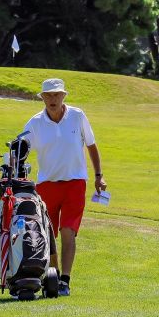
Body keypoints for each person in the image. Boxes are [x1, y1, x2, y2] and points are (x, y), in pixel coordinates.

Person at [22, 78, 106, 296]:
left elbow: (91, 145)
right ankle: (54, 275)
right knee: (47, 234)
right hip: (47, 185)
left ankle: (65, 280)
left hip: (75, 183)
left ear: (63, 96)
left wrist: (99, 176)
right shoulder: (35, 123)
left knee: (68, 230)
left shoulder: (77, 116)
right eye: (48, 95)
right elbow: (20, 147)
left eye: (56, 95)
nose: (52, 99)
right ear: (42, 98)